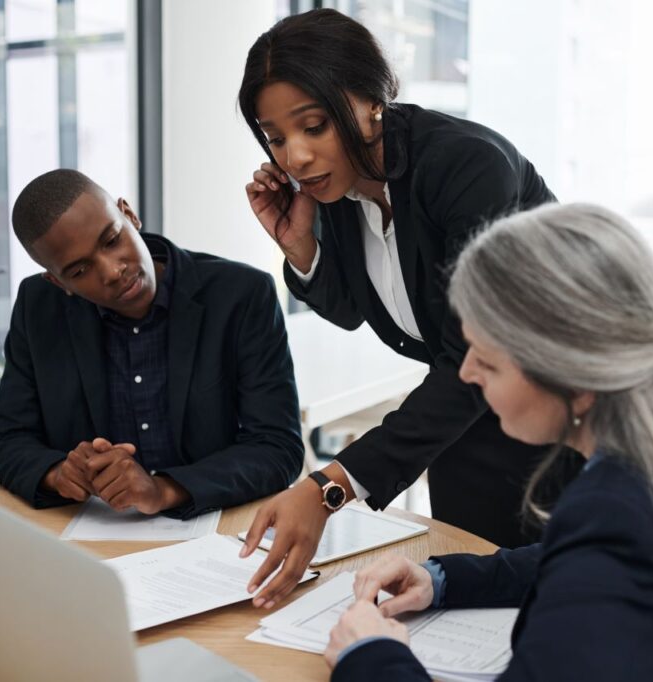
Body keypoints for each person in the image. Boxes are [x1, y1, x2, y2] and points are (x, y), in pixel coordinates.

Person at [323, 203, 653, 682]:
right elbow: (569, 559)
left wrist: (372, 656)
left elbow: (601, 551)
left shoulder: (613, 510)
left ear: (574, 374)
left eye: (487, 360)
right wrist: (442, 578)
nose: (467, 372)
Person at [237, 7, 572, 609]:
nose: (296, 156)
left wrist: (329, 487)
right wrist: (301, 247)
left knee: (563, 607)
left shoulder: (467, 166)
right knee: (466, 610)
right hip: (467, 423)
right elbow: (355, 308)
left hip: (567, 419)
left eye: (313, 126)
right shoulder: (339, 184)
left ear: (372, 99)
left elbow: (468, 354)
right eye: (276, 136)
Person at [0, 169, 303, 518]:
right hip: (93, 540)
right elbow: (6, 441)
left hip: (213, 529)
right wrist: (58, 473)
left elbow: (277, 448)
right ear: (59, 283)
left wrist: (163, 489)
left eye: (110, 240)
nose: (111, 271)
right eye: (78, 271)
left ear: (129, 215)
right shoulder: (38, 305)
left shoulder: (242, 294)